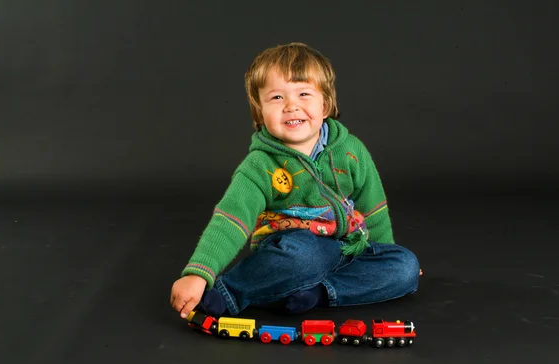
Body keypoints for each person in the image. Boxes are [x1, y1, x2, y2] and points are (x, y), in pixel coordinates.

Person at [170, 42, 421, 319]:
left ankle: (318, 293)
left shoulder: (351, 150)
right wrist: (199, 272)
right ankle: (229, 291)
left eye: (303, 94)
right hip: (292, 251)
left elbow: (372, 207)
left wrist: (382, 251)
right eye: (277, 98)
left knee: (405, 266)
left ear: (325, 104)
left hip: (348, 247)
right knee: (306, 255)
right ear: (259, 112)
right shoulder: (260, 165)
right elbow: (231, 217)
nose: (292, 106)